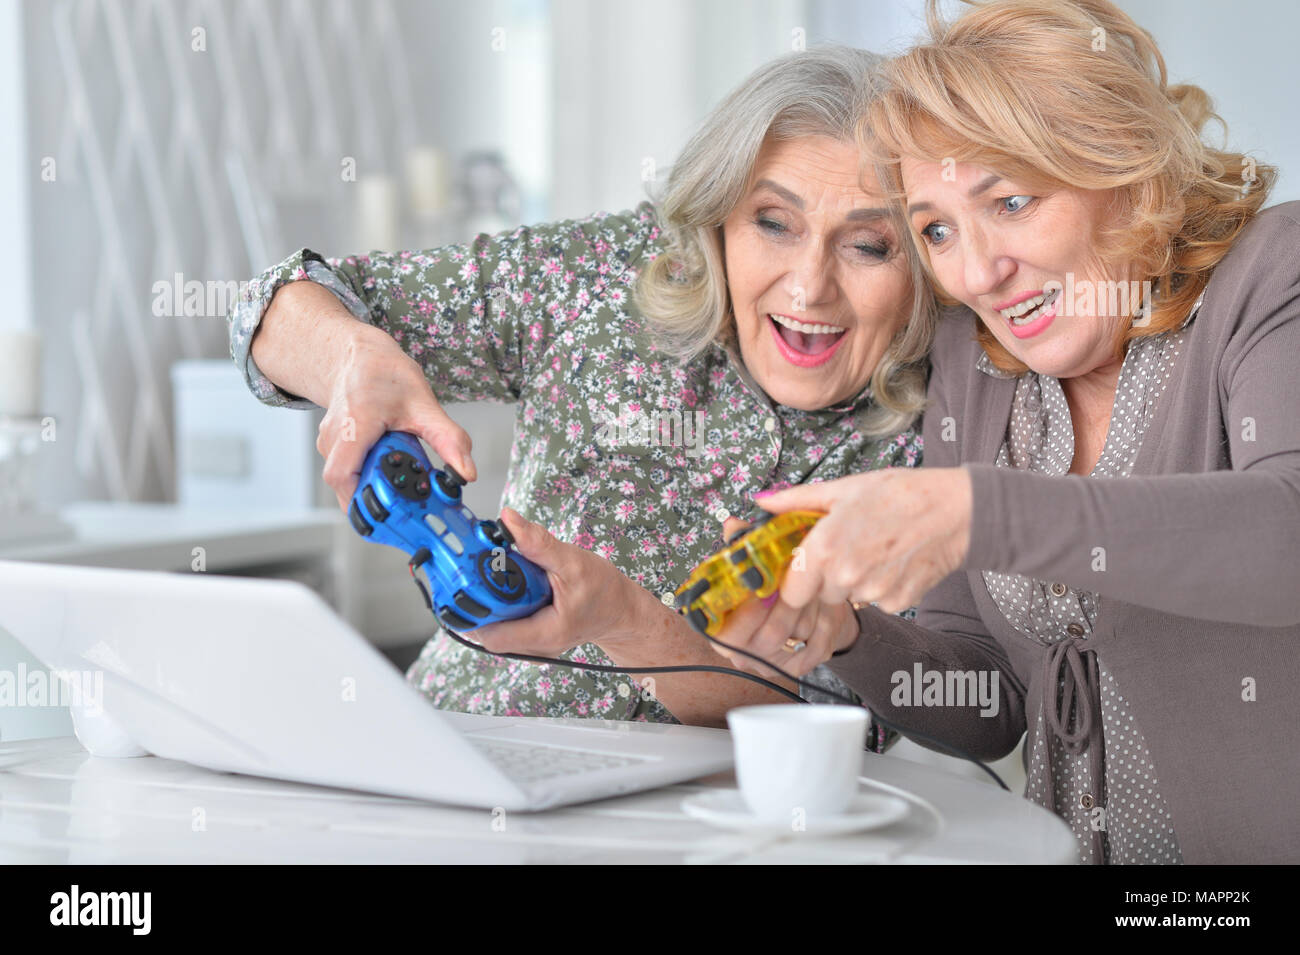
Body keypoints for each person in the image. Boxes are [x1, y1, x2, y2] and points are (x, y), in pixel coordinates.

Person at [716, 0, 1300, 864]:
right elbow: (989, 702)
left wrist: (973, 509)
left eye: (1014, 201)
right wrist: (847, 633)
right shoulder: (976, 360)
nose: (978, 271)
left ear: (1126, 170)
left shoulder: (1271, 273)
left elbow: (1283, 534)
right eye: (936, 230)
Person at [228, 46, 933, 735]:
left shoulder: (946, 426)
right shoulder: (604, 276)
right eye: (773, 223)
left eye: (867, 245)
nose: (810, 284)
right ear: (718, 219)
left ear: (930, 262)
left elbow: (826, 730)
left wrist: (625, 622)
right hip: (456, 750)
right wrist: (353, 356)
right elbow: (270, 309)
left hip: (722, 828)